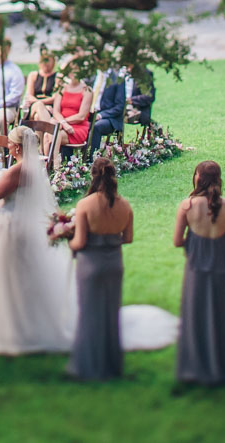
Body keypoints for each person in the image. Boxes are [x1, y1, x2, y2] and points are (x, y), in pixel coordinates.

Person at [0, 126, 75, 354]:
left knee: (8, 273)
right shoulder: (34, 168)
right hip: (25, 221)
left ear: (16, 147)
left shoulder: (16, 171)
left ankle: (12, 326)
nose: (6, 146)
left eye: (9, 143)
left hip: (10, 224)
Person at [62, 156, 134, 381]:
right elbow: (128, 238)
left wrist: (65, 238)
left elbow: (80, 242)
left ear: (93, 176)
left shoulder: (85, 204)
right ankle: (111, 365)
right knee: (110, 315)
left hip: (90, 265)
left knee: (90, 314)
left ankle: (89, 366)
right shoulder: (125, 205)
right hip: (114, 264)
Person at [174, 161, 225, 388]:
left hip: (196, 267)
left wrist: (193, 242)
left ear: (198, 178)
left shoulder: (187, 205)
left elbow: (176, 241)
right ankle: (220, 368)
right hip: (220, 267)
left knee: (195, 315)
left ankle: (194, 367)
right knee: (219, 316)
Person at [45, 73, 93, 161]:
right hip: (62, 125)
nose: (73, 73)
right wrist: (63, 123)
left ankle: (54, 166)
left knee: (53, 135)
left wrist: (63, 122)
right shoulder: (62, 89)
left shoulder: (87, 90)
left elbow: (81, 116)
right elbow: (56, 111)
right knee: (49, 134)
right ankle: (49, 164)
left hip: (77, 128)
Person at [22, 50, 62, 123]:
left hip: (50, 108)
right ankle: (49, 130)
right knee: (38, 106)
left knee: (37, 117)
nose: (46, 64)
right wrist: (40, 103)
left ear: (53, 62)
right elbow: (30, 96)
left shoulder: (57, 77)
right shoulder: (33, 75)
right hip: (34, 106)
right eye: (44, 61)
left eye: (48, 61)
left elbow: (54, 98)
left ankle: (42, 134)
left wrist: (42, 104)